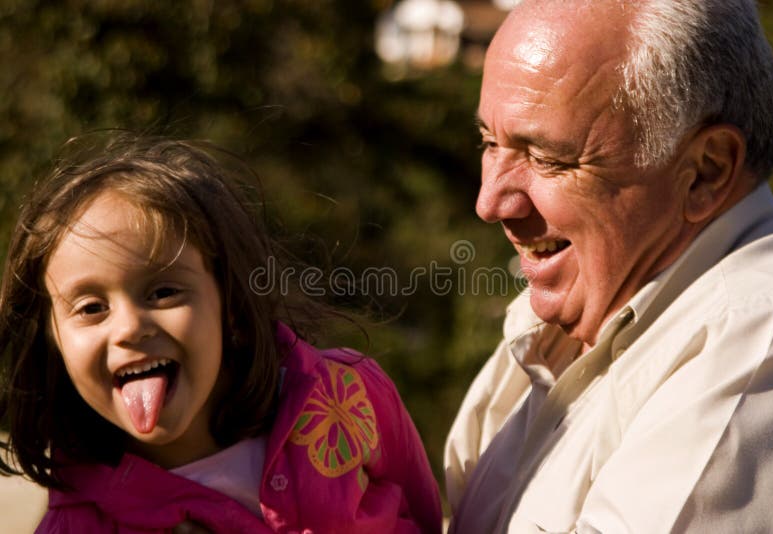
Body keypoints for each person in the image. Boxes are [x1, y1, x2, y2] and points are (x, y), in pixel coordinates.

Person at [445, 0, 773, 532]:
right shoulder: (550, 325)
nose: (491, 202)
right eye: (489, 142)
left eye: (546, 157)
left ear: (706, 171)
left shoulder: (758, 335)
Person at [0, 133, 442, 533]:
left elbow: (426, 511)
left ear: (231, 304)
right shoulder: (78, 527)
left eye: (164, 291)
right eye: (92, 308)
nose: (130, 327)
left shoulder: (348, 393)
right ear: (53, 342)